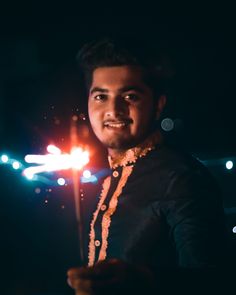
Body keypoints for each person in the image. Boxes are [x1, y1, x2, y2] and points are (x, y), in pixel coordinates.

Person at [67, 38, 226, 294]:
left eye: (129, 96)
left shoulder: (182, 179)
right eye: (101, 96)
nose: (113, 110)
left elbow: (214, 281)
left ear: (158, 104)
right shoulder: (101, 179)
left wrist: (141, 280)